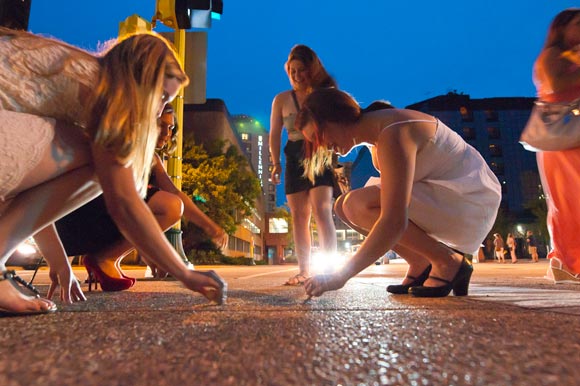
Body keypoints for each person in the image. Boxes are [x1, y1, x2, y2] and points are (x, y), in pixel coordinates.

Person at [0, 28, 226, 316]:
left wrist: (58, 260)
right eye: (163, 99)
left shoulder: (86, 74)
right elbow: (125, 203)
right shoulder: (104, 93)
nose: (159, 112)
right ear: (142, 82)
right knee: (100, 160)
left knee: (85, 150)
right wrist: (186, 274)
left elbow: (34, 189)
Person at [295, 88, 501, 298]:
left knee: (355, 205)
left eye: (319, 136)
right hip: (451, 196)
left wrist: (340, 276)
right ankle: (420, 260)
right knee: (342, 206)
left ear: (335, 116)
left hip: (470, 199)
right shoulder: (380, 136)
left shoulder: (393, 132)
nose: (322, 147)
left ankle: (447, 261)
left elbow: (394, 221)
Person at [53, 105, 228, 291]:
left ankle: (108, 259)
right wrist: (150, 251)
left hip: (102, 216)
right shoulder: (127, 146)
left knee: (168, 202)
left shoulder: (153, 159)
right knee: (170, 206)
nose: (167, 133)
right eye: (162, 125)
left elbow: (176, 193)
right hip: (78, 220)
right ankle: (105, 258)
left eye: (171, 128)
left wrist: (210, 226)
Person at [269, 45, 337, 285]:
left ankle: (329, 269)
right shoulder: (281, 99)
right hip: (294, 156)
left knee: (321, 209)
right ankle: (304, 269)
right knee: (299, 216)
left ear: (312, 69)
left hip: (319, 153)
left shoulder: (324, 94)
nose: (297, 76)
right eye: (292, 71)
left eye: (301, 70)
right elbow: (275, 134)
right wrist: (275, 163)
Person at [531, 8, 580, 283]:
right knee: (569, 201)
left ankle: (565, 263)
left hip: (572, 139)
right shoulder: (552, 56)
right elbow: (556, 84)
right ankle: (566, 261)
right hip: (563, 141)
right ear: (561, 29)